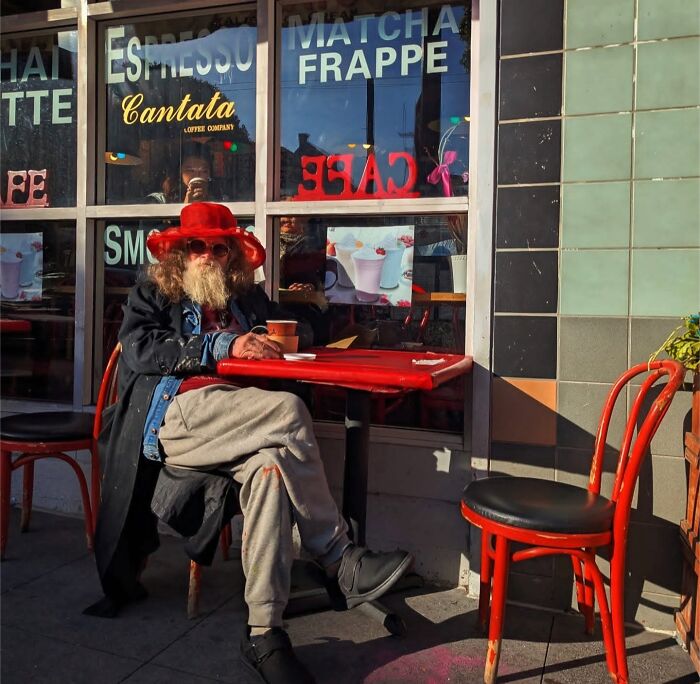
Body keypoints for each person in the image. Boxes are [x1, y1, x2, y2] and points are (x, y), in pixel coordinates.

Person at [88, 202, 413, 684]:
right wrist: (224, 345)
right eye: (195, 246)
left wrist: (307, 321)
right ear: (179, 252)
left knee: (269, 474)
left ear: (232, 256)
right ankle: (338, 556)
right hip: (177, 417)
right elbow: (140, 348)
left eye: (219, 247)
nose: (207, 255)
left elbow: (293, 330)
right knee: (288, 412)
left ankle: (264, 634)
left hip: (245, 423)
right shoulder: (154, 290)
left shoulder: (246, 298)